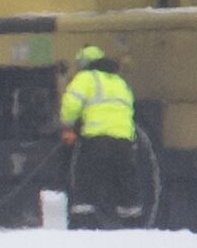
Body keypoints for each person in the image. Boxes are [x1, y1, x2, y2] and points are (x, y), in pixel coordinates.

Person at [58, 43, 143, 228]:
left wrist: (68, 127)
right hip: (124, 141)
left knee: (86, 180)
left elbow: (71, 103)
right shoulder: (120, 82)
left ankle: (84, 223)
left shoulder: (86, 78)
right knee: (125, 182)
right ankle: (132, 225)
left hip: (97, 140)